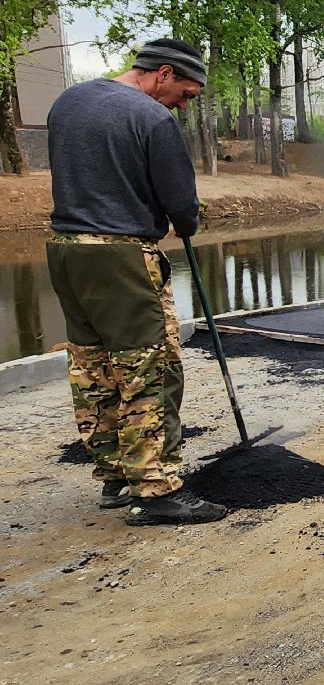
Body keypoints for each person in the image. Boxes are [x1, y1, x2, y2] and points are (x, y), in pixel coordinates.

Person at [46, 39, 228, 525]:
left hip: (64, 249)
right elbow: (179, 201)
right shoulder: (151, 118)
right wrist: (188, 222)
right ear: (163, 73)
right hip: (121, 256)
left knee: (93, 365)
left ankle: (114, 477)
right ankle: (156, 491)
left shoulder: (69, 101)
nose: (183, 104)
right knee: (150, 366)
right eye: (185, 94)